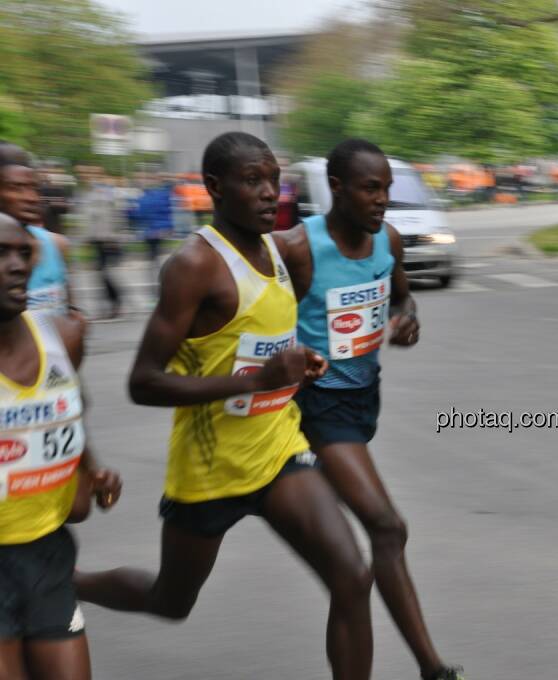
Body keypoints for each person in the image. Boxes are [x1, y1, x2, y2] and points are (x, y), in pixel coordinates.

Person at [73, 132, 374, 680]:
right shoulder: (194, 265)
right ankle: (67, 583)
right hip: (211, 470)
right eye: (252, 180)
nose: (268, 193)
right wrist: (259, 378)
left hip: (280, 450)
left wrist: (299, 361)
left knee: (352, 574)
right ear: (214, 187)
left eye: (274, 180)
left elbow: (259, 341)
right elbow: (143, 382)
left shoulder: (278, 252)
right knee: (171, 599)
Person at [274, 138, 464, 680]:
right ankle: (433, 668)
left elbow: (402, 296)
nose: (382, 200)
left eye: (386, 188)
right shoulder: (297, 248)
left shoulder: (390, 241)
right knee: (387, 527)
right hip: (315, 409)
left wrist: (407, 319)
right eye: (370, 188)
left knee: (348, 568)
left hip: (362, 402)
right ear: (335, 188)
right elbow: (252, 308)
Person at [0, 211, 122, 680]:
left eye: (23, 253)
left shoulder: (61, 335)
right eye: (1, 254)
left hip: (48, 553)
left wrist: (92, 470)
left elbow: (71, 409)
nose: (16, 265)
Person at [0, 152, 74, 314]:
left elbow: (70, 313)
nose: (32, 198)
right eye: (16, 188)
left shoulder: (56, 244)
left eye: (34, 188)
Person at [76, 169, 125, 319]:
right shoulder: (88, 195)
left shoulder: (107, 195)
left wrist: (113, 238)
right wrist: (86, 238)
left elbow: (115, 217)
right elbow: (89, 219)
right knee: (100, 274)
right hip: (96, 240)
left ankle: (116, 300)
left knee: (104, 273)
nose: (88, 178)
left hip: (107, 240)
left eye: (91, 176)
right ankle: (110, 304)